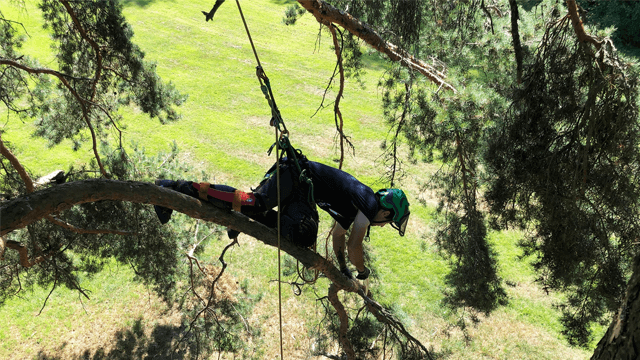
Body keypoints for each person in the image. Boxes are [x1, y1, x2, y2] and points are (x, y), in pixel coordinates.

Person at [154, 154, 410, 280]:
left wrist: (343, 269)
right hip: (296, 175)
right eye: (388, 221)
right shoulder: (368, 201)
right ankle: (175, 188)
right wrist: (362, 271)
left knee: (303, 232)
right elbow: (355, 244)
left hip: (299, 185)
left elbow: (339, 239)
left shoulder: (354, 209)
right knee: (254, 202)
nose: (384, 224)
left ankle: (246, 216)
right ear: (386, 212)